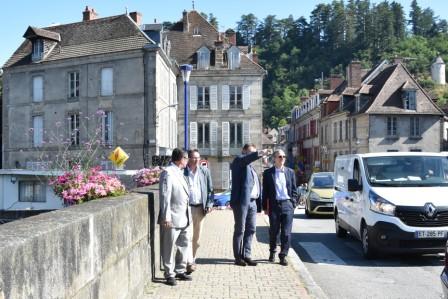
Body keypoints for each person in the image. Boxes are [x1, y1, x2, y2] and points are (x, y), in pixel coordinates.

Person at [158, 148, 192, 286]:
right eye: (186, 158)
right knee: (169, 246)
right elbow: (165, 196)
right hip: (172, 216)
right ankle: (169, 273)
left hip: (184, 216)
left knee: (184, 244)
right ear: (180, 159)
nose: (187, 161)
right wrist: (166, 217)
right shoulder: (168, 173)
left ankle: (179, 270)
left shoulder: (180, 172)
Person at [230, 143, 268, 266]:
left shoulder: (251, 167)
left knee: (251, 229)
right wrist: (261, 153)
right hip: (241, 202)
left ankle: (246, 255)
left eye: (254, 152)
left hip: (252, 202)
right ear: (244, 151)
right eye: (250, 152)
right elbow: (246, 159)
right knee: (240, 229)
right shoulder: (239, 161)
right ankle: (238, 257)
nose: (252, 155)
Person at [262, 149, 297, 266]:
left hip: (287, 205)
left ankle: (283, 255)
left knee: (286, 233)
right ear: (274, 159)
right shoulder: (268, 173)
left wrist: (293, 203)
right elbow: (265, 192)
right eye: (280, 157)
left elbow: (294, 190)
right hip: (274, 205)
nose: (282, 159)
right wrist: (264, 207)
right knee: (274, 231)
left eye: (284, 157)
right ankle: (272, 252)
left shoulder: (290, 172)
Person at [183, 149, 214, 273]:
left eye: (198, 158)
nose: (196, 160)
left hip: (200, 209)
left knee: (197, 239)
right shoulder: (183, 171)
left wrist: (210, 204)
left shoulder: (204, 171)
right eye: (193, 158)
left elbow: (210, 190)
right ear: (188, 159)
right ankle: (188, 262)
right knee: (187, 237)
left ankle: (193, 258)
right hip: (187, 208)